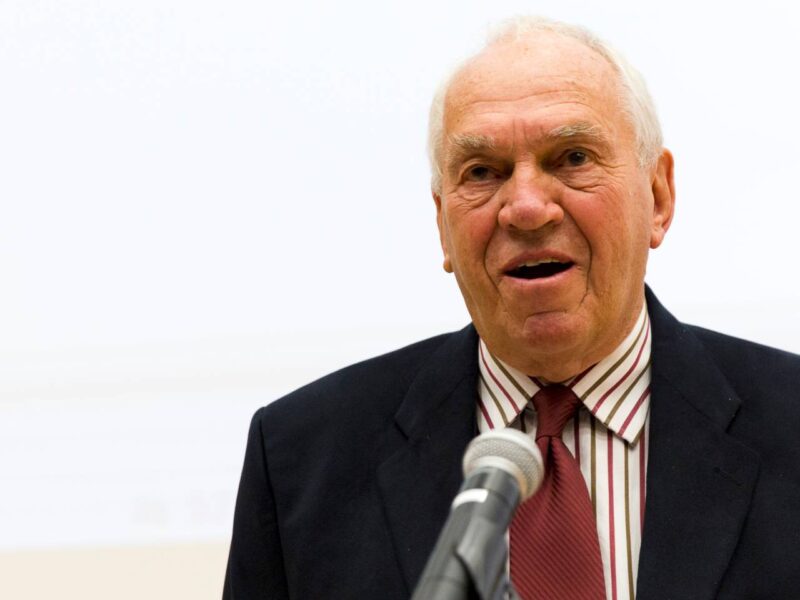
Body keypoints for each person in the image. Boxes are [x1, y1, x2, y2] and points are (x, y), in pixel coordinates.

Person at [223, 16, 800, 600]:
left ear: (658, 196)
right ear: (443, 225)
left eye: (572, 158)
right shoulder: (302, 458)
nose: (525, 208)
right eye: (482, 172)